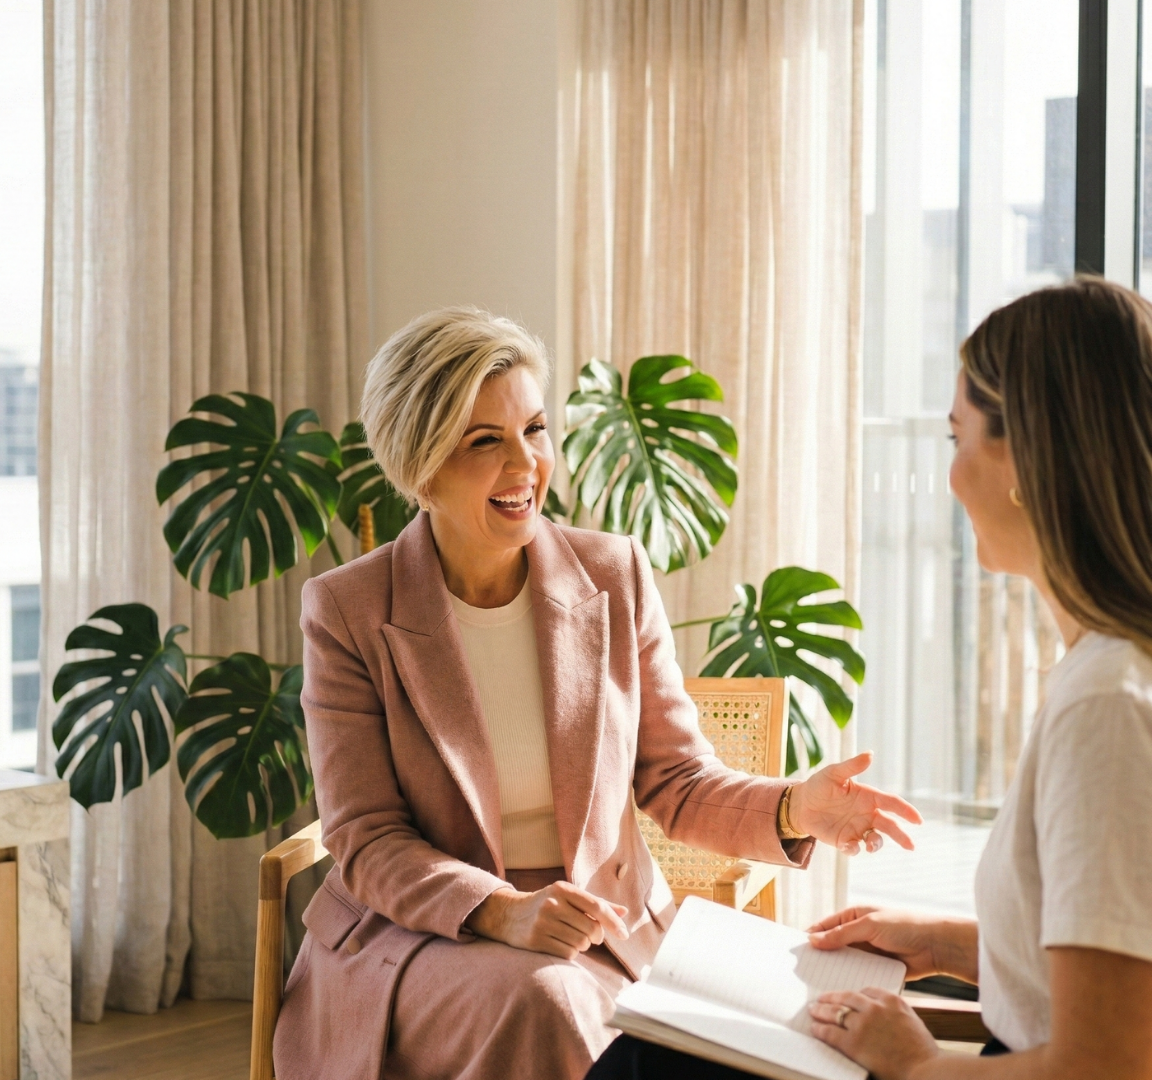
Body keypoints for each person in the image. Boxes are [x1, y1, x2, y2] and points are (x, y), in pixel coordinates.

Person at [273, 307, 920, 1080]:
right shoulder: (349, 608)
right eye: (487, 441)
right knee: (546, 1003)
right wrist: (502, 910)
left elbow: (674, 779)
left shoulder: (612, 575)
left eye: (535, 430)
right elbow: (368, 838)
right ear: (420, 466)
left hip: (605, 930)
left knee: (805, 1031)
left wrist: (794, 807)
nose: (526, 465)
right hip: (425, 936)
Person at [797, 278, 1152, 1079]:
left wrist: (915, 1065)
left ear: (1026, 455)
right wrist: (947, 942)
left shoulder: (1107, 702)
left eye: (958, 438)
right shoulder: (1105, 668)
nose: (951, 476)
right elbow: (1119, 963)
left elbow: (1107, 1064)